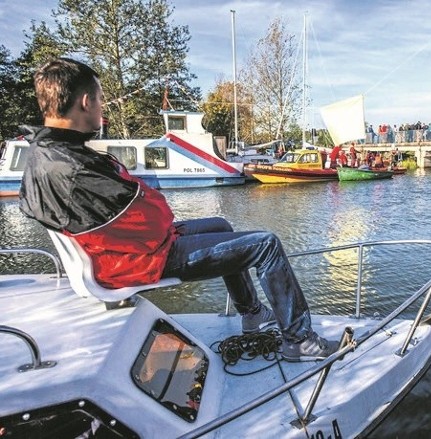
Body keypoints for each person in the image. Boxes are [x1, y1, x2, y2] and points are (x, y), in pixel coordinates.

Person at [18, 57, 339, 362]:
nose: (102, 108)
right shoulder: (75, 167)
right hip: (138, 260)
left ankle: (252, 314)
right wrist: (143, 192)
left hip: (115, 252)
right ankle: (299, 339)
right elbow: (157, 217)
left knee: (222, 225)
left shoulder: (46, 154)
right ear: (85, 101)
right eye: (100, 100)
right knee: (266, 245)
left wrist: (135, 192)